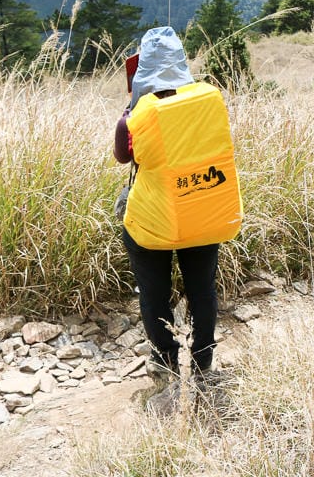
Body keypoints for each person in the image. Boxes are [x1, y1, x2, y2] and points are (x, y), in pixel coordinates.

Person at [114, 26, 221, 406]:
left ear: (141, 70)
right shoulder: (208, 101)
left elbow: (124, 158)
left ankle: (164, 362)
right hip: (201, 211)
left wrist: (131, 107)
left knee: (154, 293)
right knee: (202, 289)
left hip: (152, 222)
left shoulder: (134, 117)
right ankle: (204, 360)